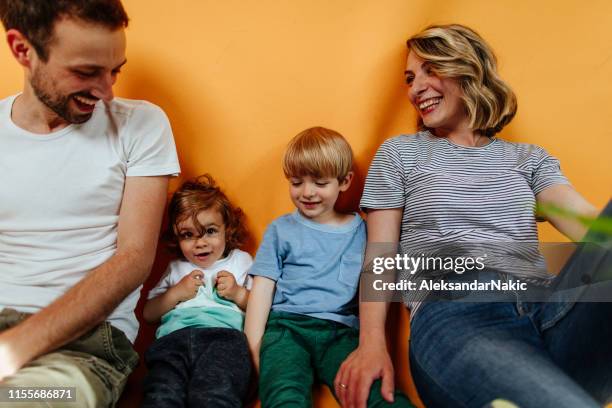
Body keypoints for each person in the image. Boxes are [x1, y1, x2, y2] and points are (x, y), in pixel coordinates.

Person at [335, 24, 611, 408]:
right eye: (410, 78)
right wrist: (371, 345)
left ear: (468, 68)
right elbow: (380, 257)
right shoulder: (401, 154)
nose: (416, 88)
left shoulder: (528, 160)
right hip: (459, 310)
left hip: (550, 310)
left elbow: (593, 228)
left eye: (431, 69)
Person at [0, 1, 179, 406]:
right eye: (86, 72)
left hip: (84, 350)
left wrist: (13, 349)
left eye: (115, 70)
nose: (106, 91)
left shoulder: (141, 125)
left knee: (26, 401)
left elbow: (134, 259)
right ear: (22, 50)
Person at [244, 127, 413, 407]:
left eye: (320, 183)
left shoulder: (363, 230)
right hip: (286, 329)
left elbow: (381, 274)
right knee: (283, 392)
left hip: (341, 333)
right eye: (297, 182)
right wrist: (253, 351)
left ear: (344, 181)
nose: (307, 192)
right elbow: (262, 289)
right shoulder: (281, 229)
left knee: (376, 392)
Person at [142, 175, 253, 407]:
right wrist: (176, 294)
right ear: (177, 237)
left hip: (224, 340)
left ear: (227, 230)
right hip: (172, 340)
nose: (200, 243)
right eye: (188, 235)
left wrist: (238, 294)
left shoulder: (241, 261)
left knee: (215, 394)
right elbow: (149, 313)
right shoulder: (176, 268)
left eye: (210, 231)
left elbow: (261, 308)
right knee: (161, 395)